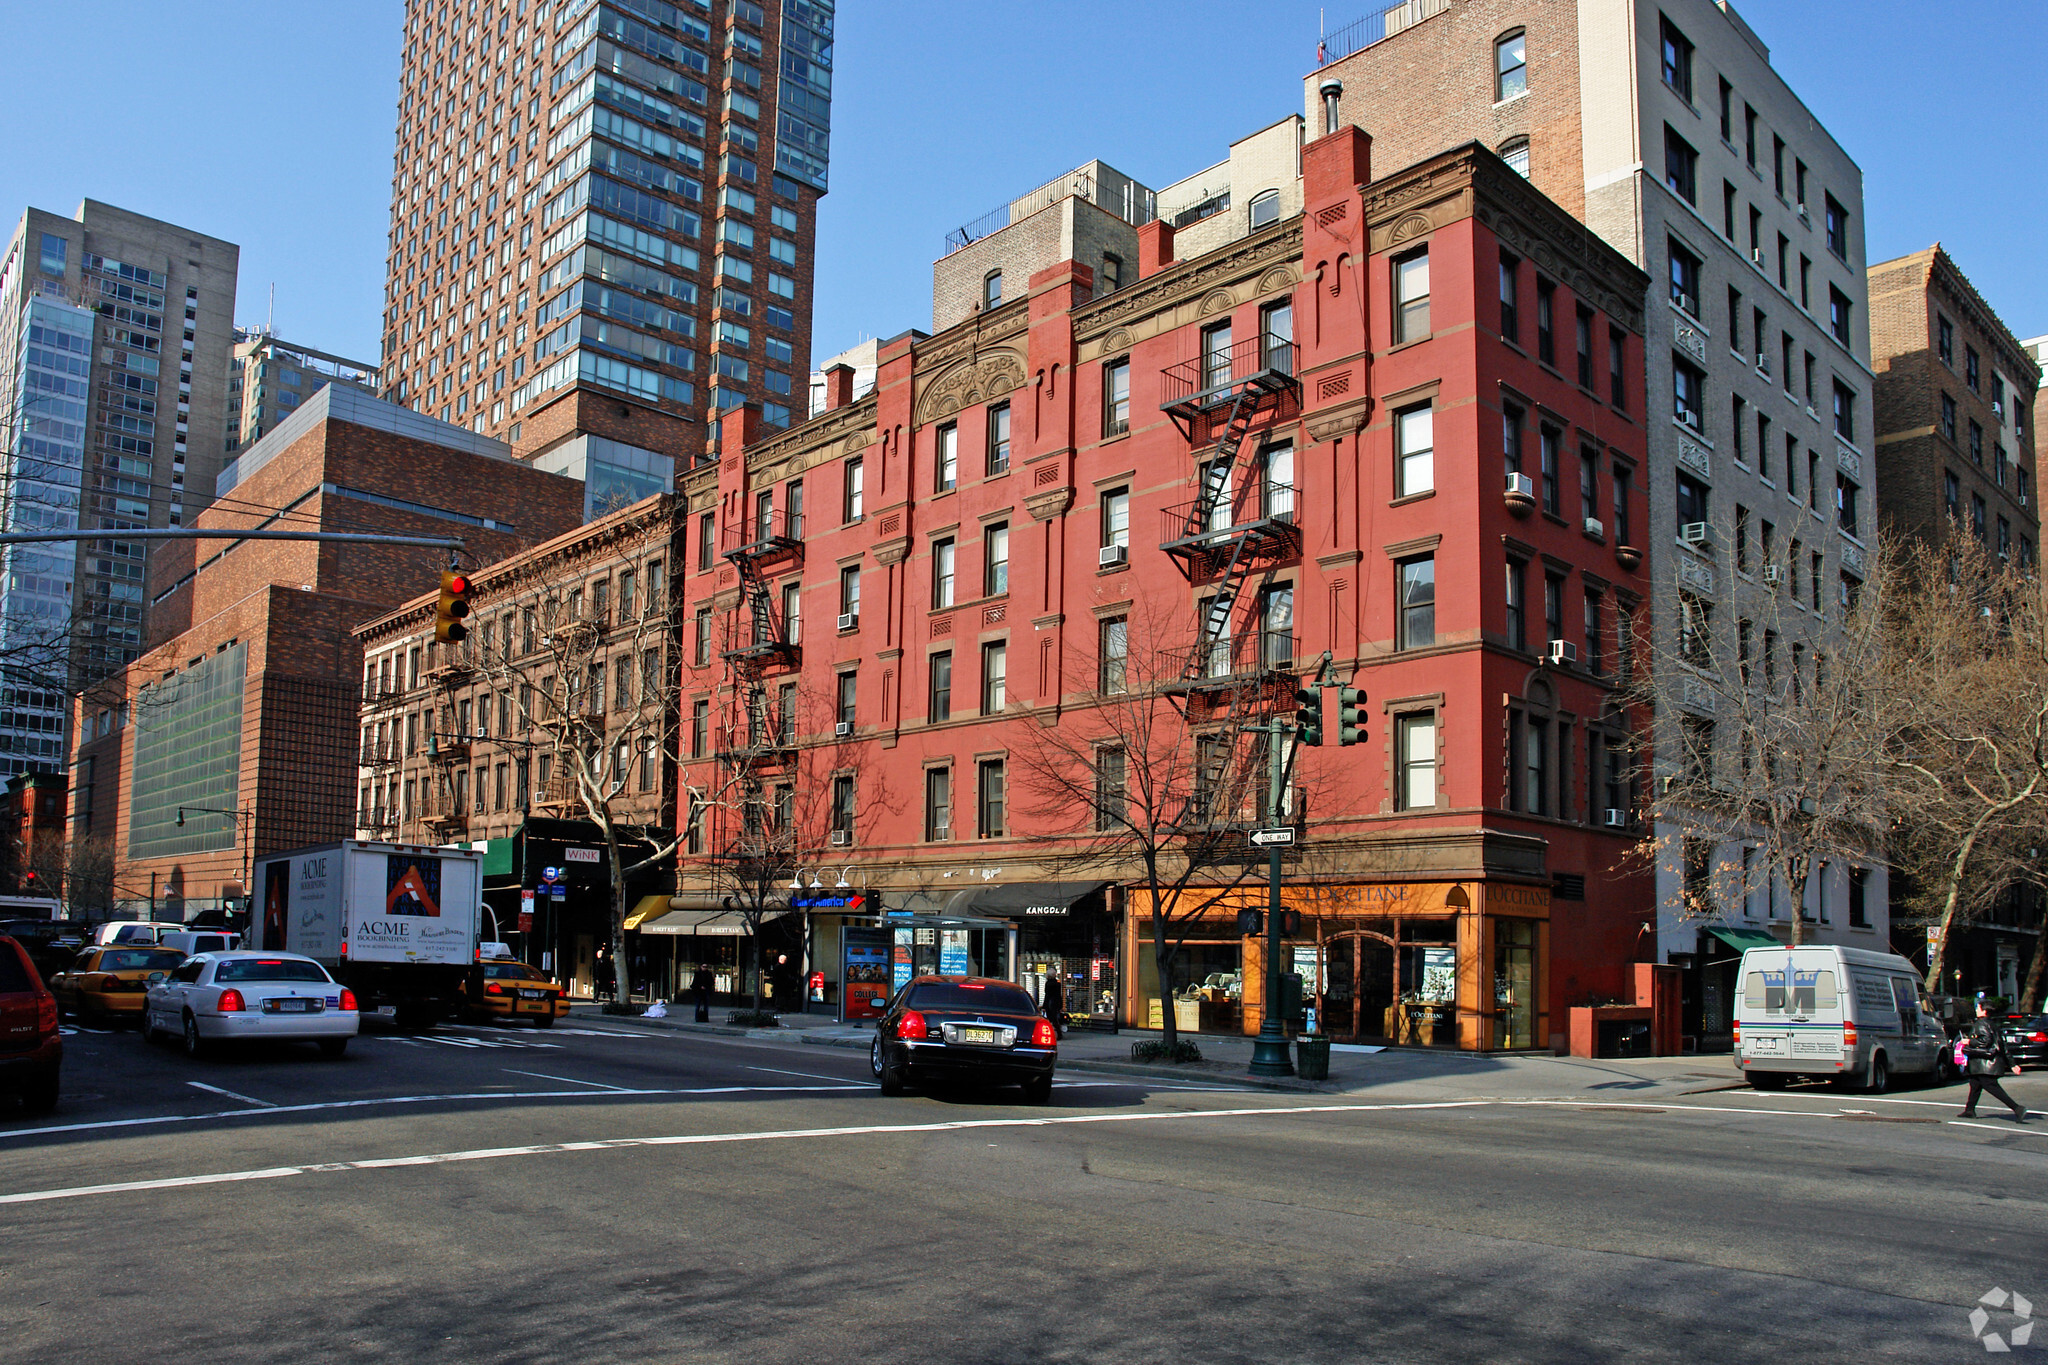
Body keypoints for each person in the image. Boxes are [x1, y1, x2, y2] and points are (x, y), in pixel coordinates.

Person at [1959, 999, 2028, 1121]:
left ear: (1984, 1011)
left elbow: (1985, 1041)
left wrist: (1969, 1041)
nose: (1976, 1010)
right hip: (1984, 1064)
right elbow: (2002, 1046)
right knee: (1975, 1084)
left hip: (1984, 1064)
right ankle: (1969, 1110)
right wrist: (2012, 1064)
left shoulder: (1981, 1024)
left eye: (1978, 1008)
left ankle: (2017, 1108)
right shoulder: (1992, 1024)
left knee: (1991, 1086)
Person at [1042, 971, 1066, 1039]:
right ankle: (1058, 1033)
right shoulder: (1058, 984)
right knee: (1055, 1018)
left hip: (1050, 1003)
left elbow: (1047, 995)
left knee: (1051, 1019)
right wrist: (1061, 1005)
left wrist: (1044, 1006)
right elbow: (1059, 995)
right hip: (1057, 1002)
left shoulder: (1048, 984)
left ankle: (1053, 1033)